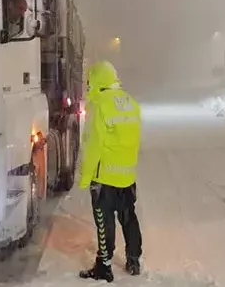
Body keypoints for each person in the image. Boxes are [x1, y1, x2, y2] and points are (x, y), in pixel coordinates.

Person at [78, 61, 143, 283]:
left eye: (90, 80)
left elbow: (93, 145)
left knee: (104, 222)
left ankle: (104, 266)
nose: (88, 85)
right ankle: (133, 259)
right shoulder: (131, 103)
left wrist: (86, 177)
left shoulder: (99, 105)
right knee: (129, 217)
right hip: (127, 175)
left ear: (98, 79)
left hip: (105, 177)